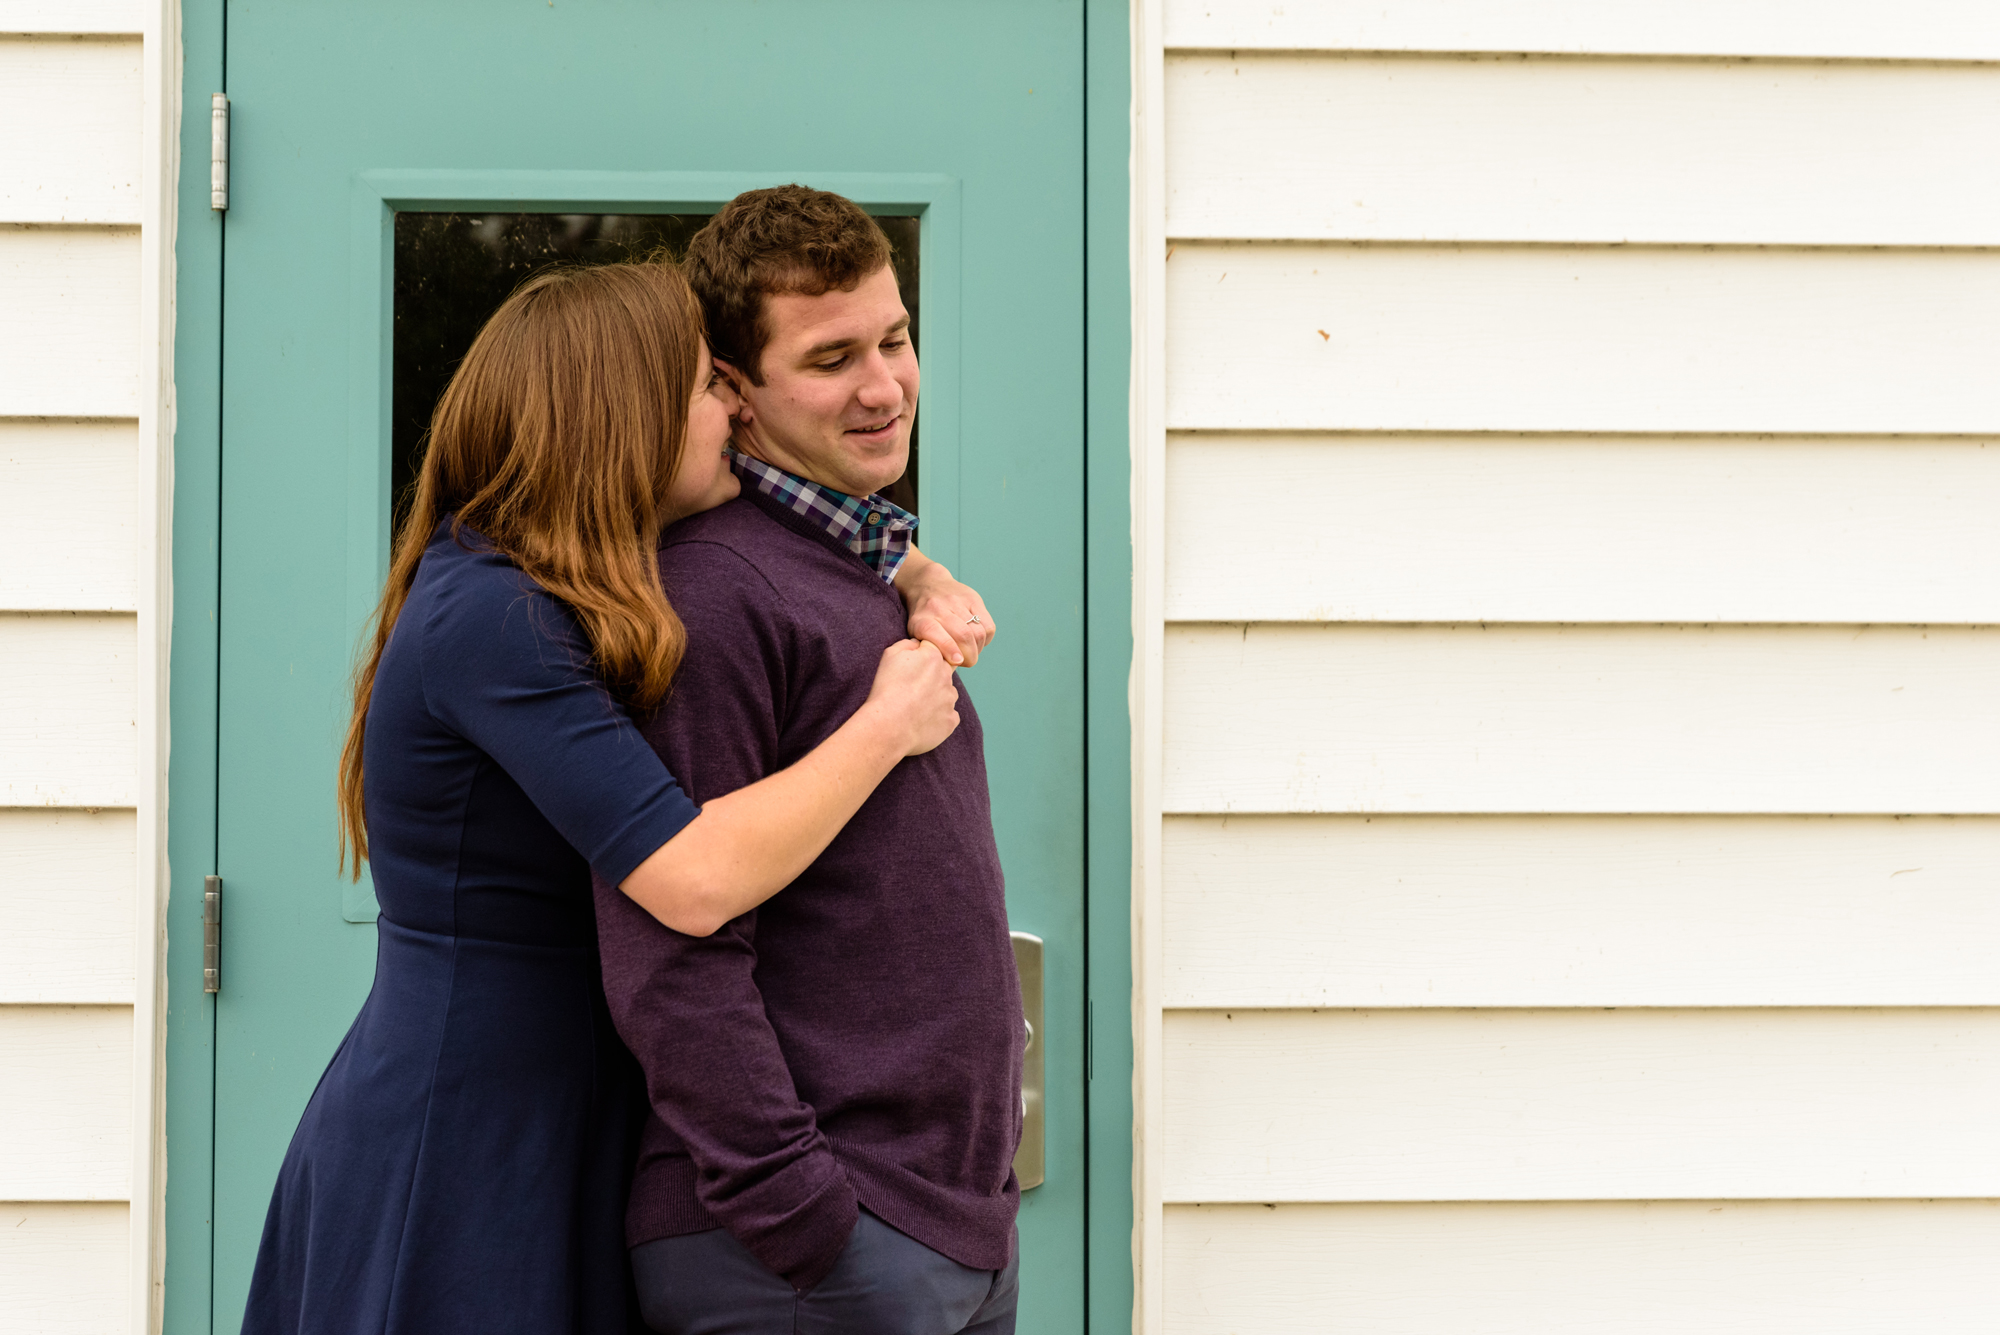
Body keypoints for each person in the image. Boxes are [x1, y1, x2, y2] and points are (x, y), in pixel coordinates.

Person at [240, 259, 996, 1335]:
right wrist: (885, 726)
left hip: (576, 1108)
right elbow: (689, 878)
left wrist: (917, 575)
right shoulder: (494, 617)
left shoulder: (567, 581)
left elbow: (817, 518)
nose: (731, 407)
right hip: (472, 1127)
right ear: (620, 419)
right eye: (703, 388)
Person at [596, 186, 1022, 1335]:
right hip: (804, 1256)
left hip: (940, 1233)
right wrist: (806, 1222)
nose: (883, 386)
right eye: (830, 358)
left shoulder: (858, 566)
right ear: (731, 389)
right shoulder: (717, 596)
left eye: (892, 338)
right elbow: (671, 957)